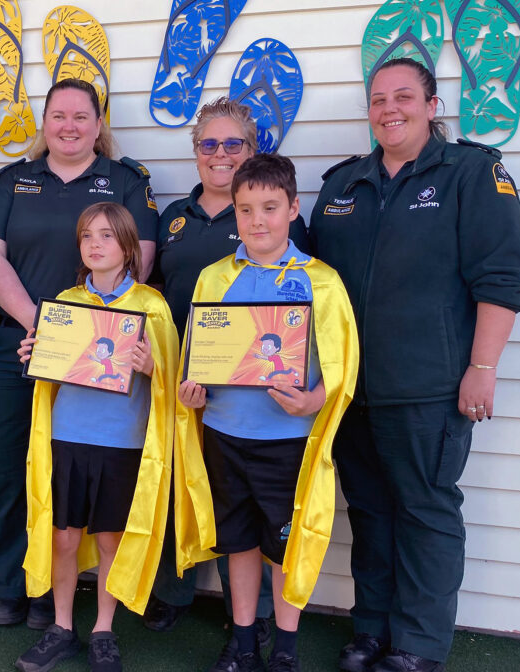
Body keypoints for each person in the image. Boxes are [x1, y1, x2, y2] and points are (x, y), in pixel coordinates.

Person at [308, 58, 520, 672]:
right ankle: (372, 630)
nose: (390, 109)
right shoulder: (342, 186)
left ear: (433, 105)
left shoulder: (471, 173)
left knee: (426, 512)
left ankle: (418, 645)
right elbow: (307, 279)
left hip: (429, 387)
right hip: (352, 388)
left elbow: (504, 278)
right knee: (371, 513)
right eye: (378, 99)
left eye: (404, 96)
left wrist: (481, 369)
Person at [0, 78, 159, 627]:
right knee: (3, 463)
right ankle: (12, 584)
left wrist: (77, 333)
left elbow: (140, 260)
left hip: (102, 348)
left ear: (99, 125)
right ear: (44, 122)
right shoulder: (12, 181)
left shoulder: (126, 182)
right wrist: (45, 326)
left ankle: (65, 594)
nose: (69, 125)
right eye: (58, 115)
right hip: (18, 342)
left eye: (82, 116)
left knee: (78, 473)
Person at [174, 153, 359, 672]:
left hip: (287, 440)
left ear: (294, 209)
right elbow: (199, 353)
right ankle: (243, 643)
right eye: (246, 209)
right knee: (239, 542)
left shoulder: (320, 281)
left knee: (284, 545)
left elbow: (344, 362)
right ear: (234, 212)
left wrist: (315, 400)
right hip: (225, 433)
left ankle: (285, 647)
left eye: (270, 208)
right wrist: (194, 395)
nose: (258, 220)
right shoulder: (214, 278)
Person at [146, 97, 312, 637]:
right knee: (181, 483)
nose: (220, 154)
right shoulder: (172, 216)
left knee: (246, 505)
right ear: (196, 152)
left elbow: (300, 317)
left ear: (252, 149)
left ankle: (255, 617)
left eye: (232, 144)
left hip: (252, 396)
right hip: (182, 375)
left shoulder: (280, 225)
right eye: (208, 144)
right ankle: (174, 591)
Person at [14, 202, 178, 672]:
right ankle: (62, 626)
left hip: (122, 443)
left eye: (106, 236)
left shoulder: (151, 306)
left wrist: (153, 367)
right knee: (63, 538)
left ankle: (103, 628)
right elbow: (50, 373)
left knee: (110, 539)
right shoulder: (65, 304)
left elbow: (175, 378)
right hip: (67, 436)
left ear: (128, 247)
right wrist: (33, 356)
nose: (95, 244)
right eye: (87, 236)